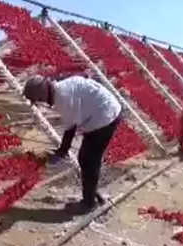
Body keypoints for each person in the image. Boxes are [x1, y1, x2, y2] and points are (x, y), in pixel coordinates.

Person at [22, 74, 122, 215]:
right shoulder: (62, 89)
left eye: (39, 99)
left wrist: (62, 152)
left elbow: (70, 129)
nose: (41, 102)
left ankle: (88, 204)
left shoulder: (62, 98)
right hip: (107, 112)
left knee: (88, 160)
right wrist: (62, 151)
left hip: (104, 117)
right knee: (88, 159)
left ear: (42, 94)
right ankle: (92, 192)